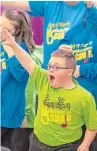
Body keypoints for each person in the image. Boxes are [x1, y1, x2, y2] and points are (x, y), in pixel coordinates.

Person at [2, 29, 97, 151]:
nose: (50, 70)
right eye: (49, 66)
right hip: (38, 142)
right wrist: (13, 45)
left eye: (56, 67)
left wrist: (84, 145)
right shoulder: (43, 79)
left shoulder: (85, 97)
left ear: (69, 71)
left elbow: (92, 127)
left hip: (67, 146)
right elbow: (28, 62)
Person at [2, 1, 97, 69]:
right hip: (49, 77)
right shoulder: (50, 3)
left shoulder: (91, 7)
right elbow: (13, 2)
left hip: (79, 79)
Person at [1, 9, 35, 149]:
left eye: (5, 29)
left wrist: (10, 51)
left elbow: (21, 75)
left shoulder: (20, 48)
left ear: (16, 31)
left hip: (10, 111)